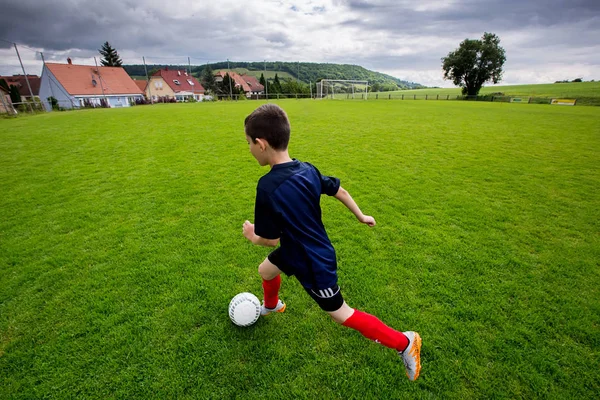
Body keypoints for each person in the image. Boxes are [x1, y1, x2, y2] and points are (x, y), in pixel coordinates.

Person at [242, 104, 421, 381]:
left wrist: (253, 235)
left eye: (249, 144)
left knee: (341, 314)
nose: (249, 149)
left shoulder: (267, 187)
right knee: (265, 271)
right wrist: (361, 215)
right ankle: (272, 305)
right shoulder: (307, 169)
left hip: (313, 261)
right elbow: (339, 190)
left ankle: (405, 343)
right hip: (295, 249)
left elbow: (269, 238)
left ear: (261, 144)